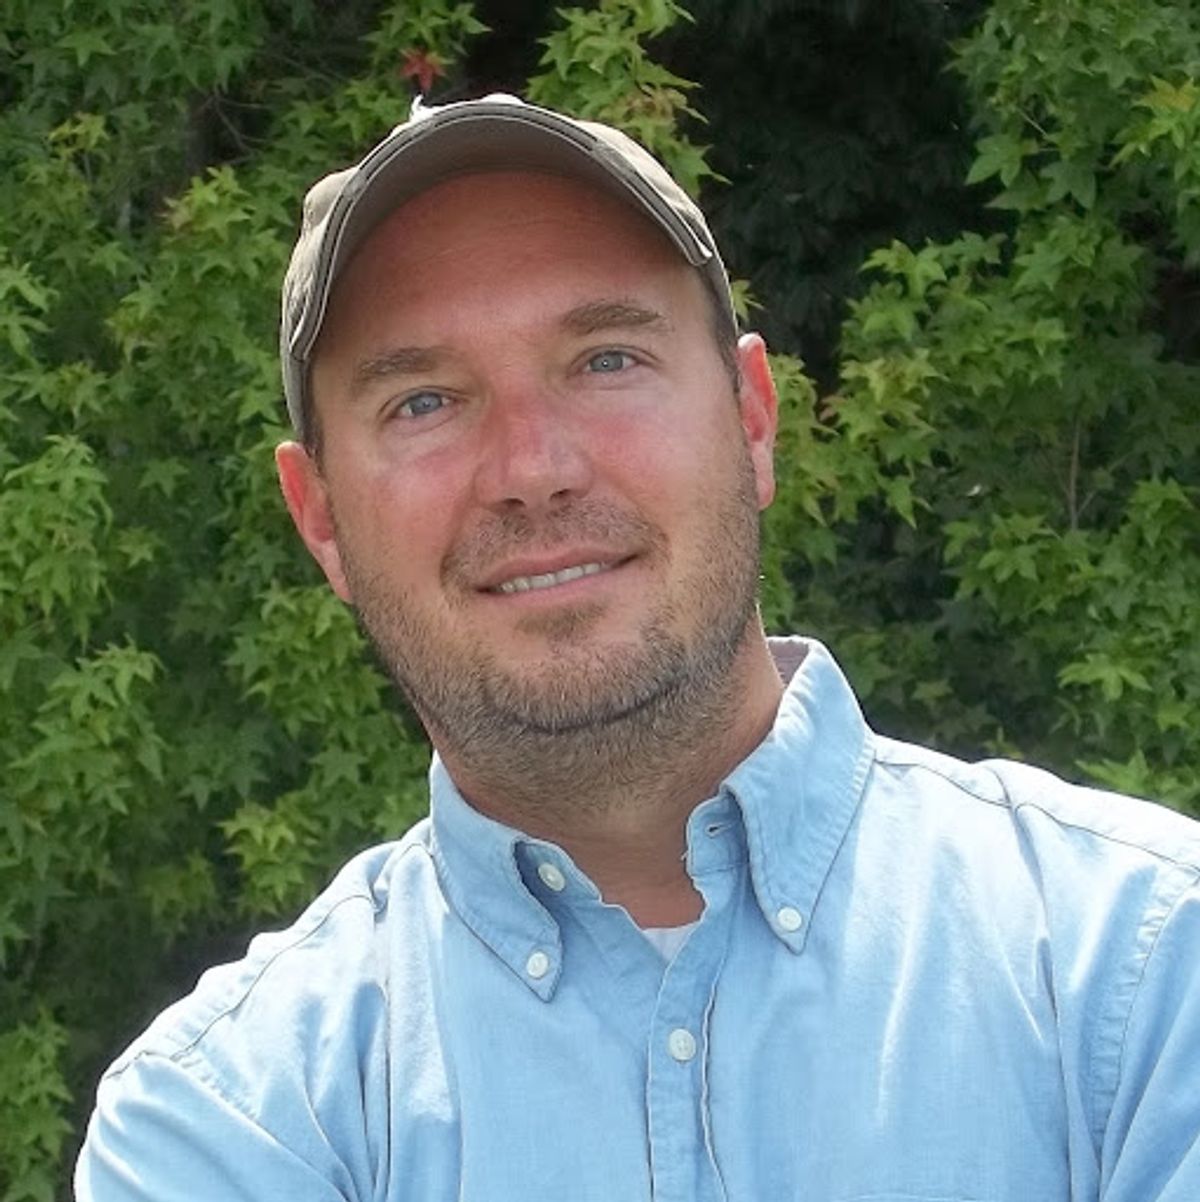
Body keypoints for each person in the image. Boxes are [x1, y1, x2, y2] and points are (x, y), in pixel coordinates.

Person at [76, 94, 1200, 1202]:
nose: (533, 468)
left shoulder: (1147, 965)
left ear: (753, 418)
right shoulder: (226, 1118)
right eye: (423, 401)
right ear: (319, 517)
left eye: (607, 359)